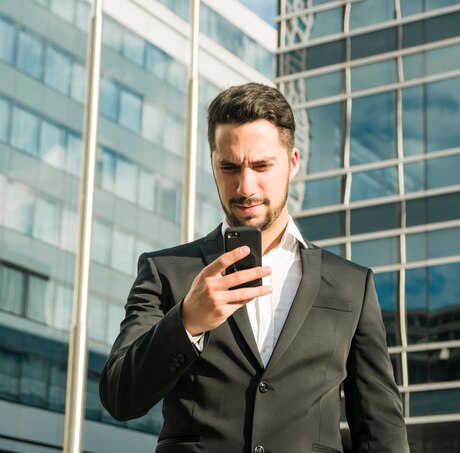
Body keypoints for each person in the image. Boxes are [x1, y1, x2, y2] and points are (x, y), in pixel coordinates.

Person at [99, 83, 409, 453]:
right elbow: (120, 397)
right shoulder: (165, 271)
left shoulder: (351, 285)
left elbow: (380, 428)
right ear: (213, 164)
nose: (245, 187)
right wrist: (187, 321)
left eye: (262, 166)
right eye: (229, 167)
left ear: (292, 162)